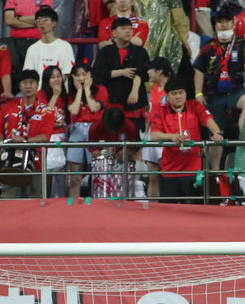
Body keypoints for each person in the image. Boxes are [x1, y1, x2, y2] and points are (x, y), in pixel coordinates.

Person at [192, 6, 245, 170]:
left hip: (235, 91)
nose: (223, 25)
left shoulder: (242, 44)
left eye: (227, 22)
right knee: (216, 135)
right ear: (215, 26)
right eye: (220, 22)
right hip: (213, 95)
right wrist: (198, 93)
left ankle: (244, 142)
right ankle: (215, 172)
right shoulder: (208, 46)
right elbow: (199, 71)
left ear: (233, 24)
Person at [150, 78, 224, 203]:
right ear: (167, 96)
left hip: (192, 171)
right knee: (169, 214)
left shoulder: (194, 105)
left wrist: (216, 132)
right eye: (174, 93)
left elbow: (208, 119)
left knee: (194, 214)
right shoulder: (160, 111)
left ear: (185, 93)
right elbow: (154, 135)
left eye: (181, 92)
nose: (178, 96)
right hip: (169, 172)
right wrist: (171, 137)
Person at [0, 69, 54, 199]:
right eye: (24, 82)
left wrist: (24, 140)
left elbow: (45, 137)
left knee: (37, 201)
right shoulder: (8, 106)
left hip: (36, 162)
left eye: (31, 82)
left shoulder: (47, 110)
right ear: (20, 86)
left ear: (37, 85)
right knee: (9, 199)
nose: (28, 86)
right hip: (10, 162)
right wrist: (1, 145)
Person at [93, 17, 150, 135]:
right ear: (114, 33)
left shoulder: (140, 52)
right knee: (110, 141)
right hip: (111, 102)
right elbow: (98, 74)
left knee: (134, 142)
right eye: (123, 29)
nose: (128, 31)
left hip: (133, 104)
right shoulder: (105, 52)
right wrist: (121, 72)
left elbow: (143, 73)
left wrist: (135, 91)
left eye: (130, 29)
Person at [66, 62, 109, 198]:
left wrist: (87, 90)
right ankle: (73, 206)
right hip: (76, 131)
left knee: (96, 174)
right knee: (74, 177)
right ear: (72, 77)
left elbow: (94, 107)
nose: (81, 78)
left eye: (84, 74)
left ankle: (97, 205)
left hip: (95, 130)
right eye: (77, 75)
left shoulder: (101, 90)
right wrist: (79, 90)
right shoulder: (71, 94)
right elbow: (73, 110)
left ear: (91, 75)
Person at [4, 0, 53, 91]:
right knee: (15, 76)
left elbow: (44, 18)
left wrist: (19, 18)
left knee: (37, 75)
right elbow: (9, 20)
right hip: (16, 41)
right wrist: (35, 22)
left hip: (37, 40)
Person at [37, 65, 69, 197]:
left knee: (61, 174)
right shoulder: (40, 95)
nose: (56, 79)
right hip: (48, 137)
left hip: (63, 136)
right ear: (46, 80)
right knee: (48, 171)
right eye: (52, 77)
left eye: (58, 76)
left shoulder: (65, 95)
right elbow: (45, 115)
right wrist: (55, 95)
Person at [22, 7, 75, 86]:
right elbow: (28, 75)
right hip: (39, 95)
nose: (42, 23)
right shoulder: (32, 49)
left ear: (54, 23)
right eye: (39, 20)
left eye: (45, 20)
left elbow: (67, 73)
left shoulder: (65, 46)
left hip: (59, 93)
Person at [144, 57, 173, 199]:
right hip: (152, 133)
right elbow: (151, 112)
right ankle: (152, 208)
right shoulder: (154, 88)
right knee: (152, 176)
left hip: (167, 133)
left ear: (160, 71)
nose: (148, 72)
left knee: (167, 176)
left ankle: (168, 208)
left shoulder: (173, 89)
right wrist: (145, 132)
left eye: (151, 69)